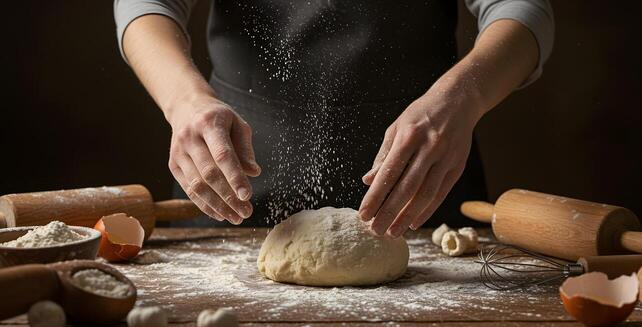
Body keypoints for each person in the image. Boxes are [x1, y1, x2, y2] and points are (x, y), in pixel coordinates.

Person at [114, 0, 554, 236]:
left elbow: (523, 8)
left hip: (423, 194)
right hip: (229, 185)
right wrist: (184, 100)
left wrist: (463, 96)